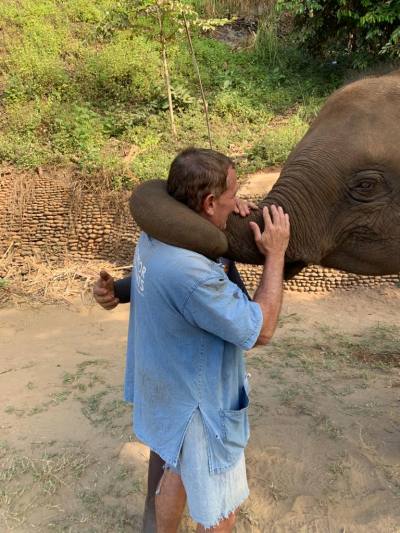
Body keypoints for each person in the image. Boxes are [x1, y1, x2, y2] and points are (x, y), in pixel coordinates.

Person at [94, 147, 290, 532]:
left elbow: (165, 288)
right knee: (220, 508)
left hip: (169, 395)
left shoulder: (153, 239)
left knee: (177, 472)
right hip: (200, 408)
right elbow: (260, 330)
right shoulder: (196, 275)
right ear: (209, 202)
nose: (240, 202)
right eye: (234, 194)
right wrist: (276, 255)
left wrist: (118, 289)